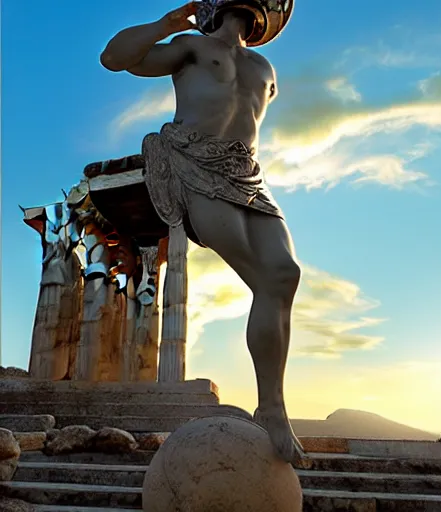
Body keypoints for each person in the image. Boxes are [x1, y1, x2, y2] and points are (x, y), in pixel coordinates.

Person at [100, 1, 303, 463]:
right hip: (195, 162)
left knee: (285, 274)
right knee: (261, 275)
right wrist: (164, 26)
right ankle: (272, 408)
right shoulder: (189, 45)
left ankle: (272, 404)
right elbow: (114, 58)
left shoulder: (264, 66)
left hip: (248, 176)